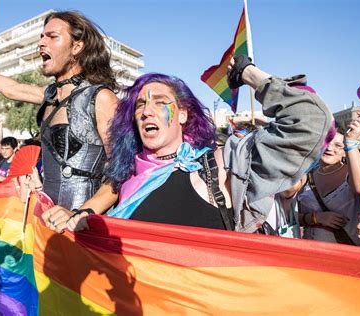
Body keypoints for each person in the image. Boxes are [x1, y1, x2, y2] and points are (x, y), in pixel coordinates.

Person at [43, 55, 332, 234]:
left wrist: (248, 73)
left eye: (160, 103)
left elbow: (309, 120)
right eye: (140, 105)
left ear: (182, 114)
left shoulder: (218, 167)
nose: (146, 111)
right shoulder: (123, 177)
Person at [0, 11, 118, 209]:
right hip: (45, 221)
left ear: (77, 47)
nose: (41, 43)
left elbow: (120, 171)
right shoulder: (50, 95)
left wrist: (83, 213)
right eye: (41, 36)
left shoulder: (102, 98)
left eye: (52, 36)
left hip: (86, 230)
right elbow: (13, 89)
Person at [298, 117, 360, 245]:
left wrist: (350, 140)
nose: (329, 148)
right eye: (326, 143)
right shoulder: (305, 174)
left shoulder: (351, 173)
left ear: (345, 151)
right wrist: (316, 218)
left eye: (338, 145)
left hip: (346, 253)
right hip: (310, 249)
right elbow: (291, 217)